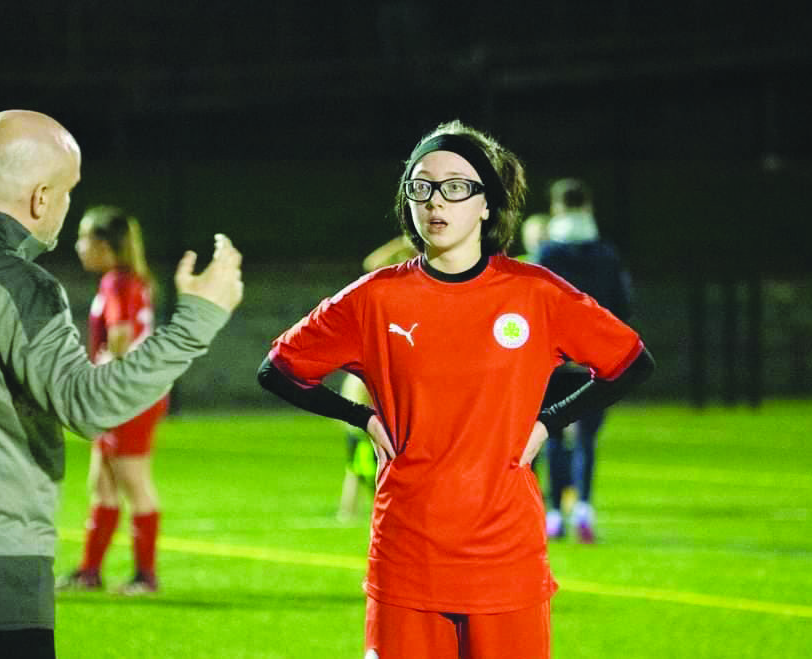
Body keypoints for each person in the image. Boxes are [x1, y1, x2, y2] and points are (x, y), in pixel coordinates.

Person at [0, 109, 243, 659]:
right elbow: (89, 403)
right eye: (67, 192)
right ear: (40, 198)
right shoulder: (17, 283)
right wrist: (201, 315)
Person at [258, 120, 654, 658]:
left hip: (505, 561)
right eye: (420, 186)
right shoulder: (374, 299)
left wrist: (548, 422)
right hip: (406, 561)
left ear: (486, 204)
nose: (435, 201)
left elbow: (630, 362)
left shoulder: (536, 293)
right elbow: (278, 369)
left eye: (455, 187)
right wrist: (362, 419)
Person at [58, 205, 168, 594]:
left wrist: (100, 373)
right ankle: (89, 572)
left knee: (133, 482)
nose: (78, 245)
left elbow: (120, 335)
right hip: (126, 393)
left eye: (85, 237)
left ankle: (145, 576)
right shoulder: (127, 280)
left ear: (104, 245)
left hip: (128, 395)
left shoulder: (119, 283)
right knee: (102, 482)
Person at [537, 178, 635, 544]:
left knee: (555, 434)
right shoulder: (607, 255)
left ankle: (554, 516)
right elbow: (623, 305)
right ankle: (584, 509)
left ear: (556, 209)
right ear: (589, 207)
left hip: (556, 362)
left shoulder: (548, 254)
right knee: (587, 438)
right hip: (595, 361)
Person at [337, 235, 417, 522]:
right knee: (364, 459)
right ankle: (359, 509)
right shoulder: (385, 299)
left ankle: (357, 509)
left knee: (368, 459)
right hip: (367, 394)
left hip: (380, 394)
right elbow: (372, 263)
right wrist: (404, 243)